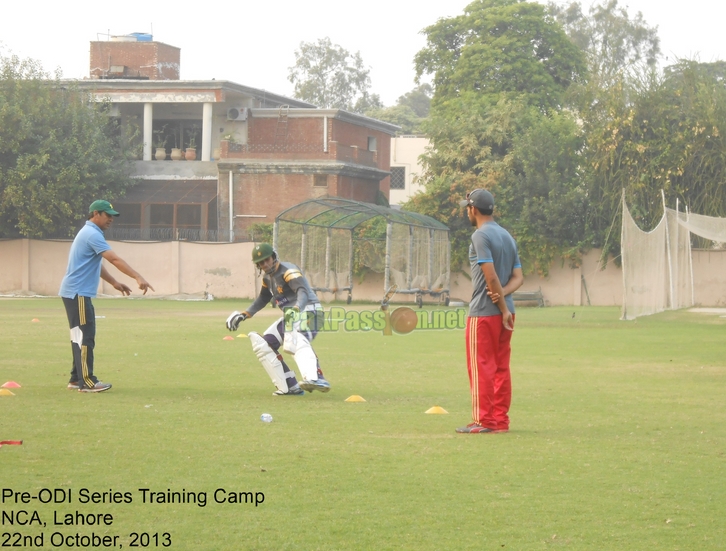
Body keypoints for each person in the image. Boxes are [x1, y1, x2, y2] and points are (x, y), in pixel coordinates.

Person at [59, 200, 154, 392]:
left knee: (81, 335)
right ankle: (87, 381)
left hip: (75, 292)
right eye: (107, 214)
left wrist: (114, 283)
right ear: (95, 214)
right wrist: (137, 276)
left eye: (112, 216)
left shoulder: (89, 233)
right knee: (85, 336)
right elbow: (114, 259)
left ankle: (76, 378)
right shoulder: (92, 233)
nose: (111, 219)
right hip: (78, 292)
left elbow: (96, 264)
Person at [456, 189, 523, 434]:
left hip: (484, 313)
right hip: (508, 313)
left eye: (467, 208)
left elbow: (490, 275)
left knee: (481, 365)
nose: (467, 212)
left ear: (473, 209)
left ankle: (483, 421)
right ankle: (499, 421)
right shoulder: (507, 236)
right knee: (500, 367)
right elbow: (519, 278)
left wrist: (501, 306)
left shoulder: (480, 236)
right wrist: (505, 302)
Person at [226, 243, 331, 396]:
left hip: (310, 312)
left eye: (267, 260)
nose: (265, 264)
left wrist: (297, 308)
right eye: (261, 262)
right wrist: (244, 314)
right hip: (291, 317)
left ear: (274, 257)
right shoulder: (267, 279)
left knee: (297, 338)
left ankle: (316, 378)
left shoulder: (288, 271)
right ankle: (290, 386)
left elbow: (302, 292)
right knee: (264, 345)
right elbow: (263, 298)